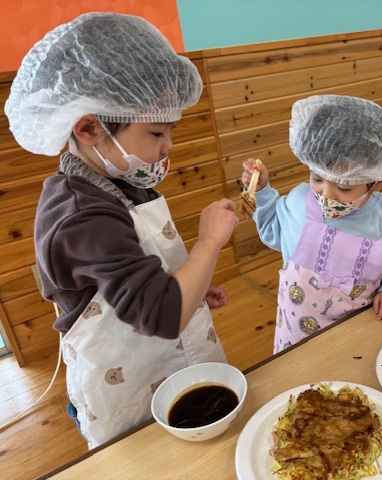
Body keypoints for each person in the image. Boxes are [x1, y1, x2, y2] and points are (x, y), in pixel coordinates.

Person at [4, 12, 239, 448]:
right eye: (157, 132)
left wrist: (184, 282)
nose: (168, 146)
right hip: (125, 389)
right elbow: (164, 314)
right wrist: (209, 242)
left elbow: (132, 270)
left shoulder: (119, 180)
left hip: (169, 360)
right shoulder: (80, 216)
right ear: (89, 128)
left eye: (170, 130)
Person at [241, 94, 382, 353]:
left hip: (358, 329)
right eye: (317, 178)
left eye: (344, 188)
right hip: (294, 334)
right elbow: (272, 230)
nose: (326, 195)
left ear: (378, 181)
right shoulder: (299, 201)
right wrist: (261, 192)